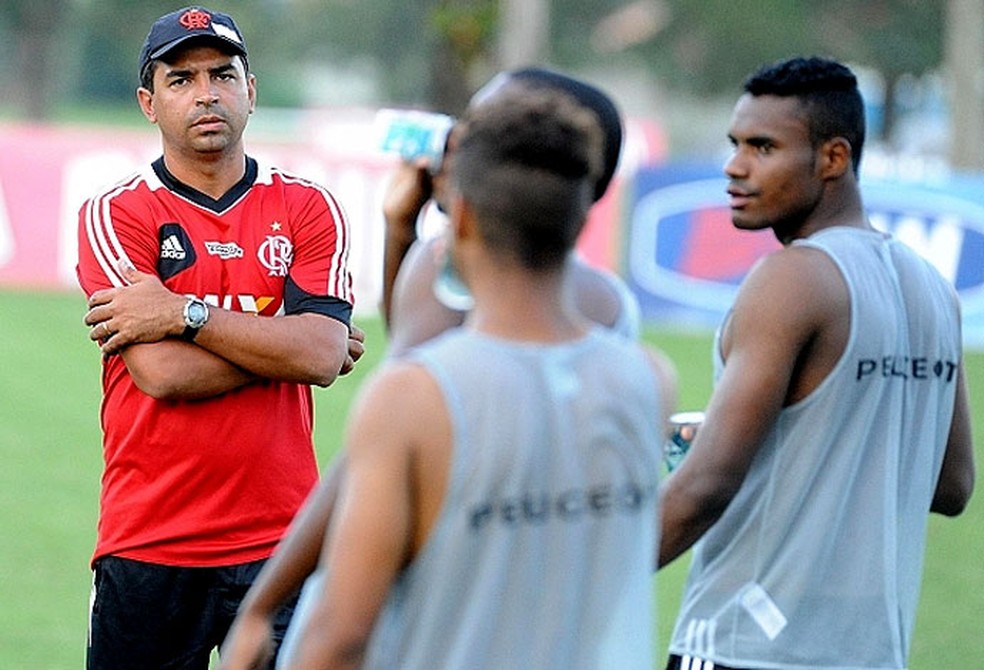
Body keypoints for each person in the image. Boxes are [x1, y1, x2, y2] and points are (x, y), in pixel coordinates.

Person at [217, 68, 677, 670]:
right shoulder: (649, 376)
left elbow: (341, 633)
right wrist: (403, 231)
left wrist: (263, 606)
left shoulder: (418, 394)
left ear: (462, 216)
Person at [658, 56, 975, 670]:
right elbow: (951, 485)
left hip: (741, 647)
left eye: (763, 146)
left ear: (832, 158)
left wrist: (583, 580)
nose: (734, 165)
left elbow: (706, 486)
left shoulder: (792, 277)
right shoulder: (935, 288)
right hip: (869, 653)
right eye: (734, 144)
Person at [76, 7, 360, 668]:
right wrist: (290, 344)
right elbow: (164, 374)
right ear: (149, 103)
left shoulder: (307, 207)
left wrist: (185, 314)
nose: (206, 93)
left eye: (222, 75)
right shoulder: (117, 214)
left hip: (283, 544)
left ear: (251, 91)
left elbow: (318, 356)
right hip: (149, 539)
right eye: (181, 79)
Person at [381, 66, 642, 357]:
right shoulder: (610, 301)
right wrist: (401, 226)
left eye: (477, 132)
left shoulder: (441, 265)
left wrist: (405, 230)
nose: (454, 146)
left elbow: (412, 379)